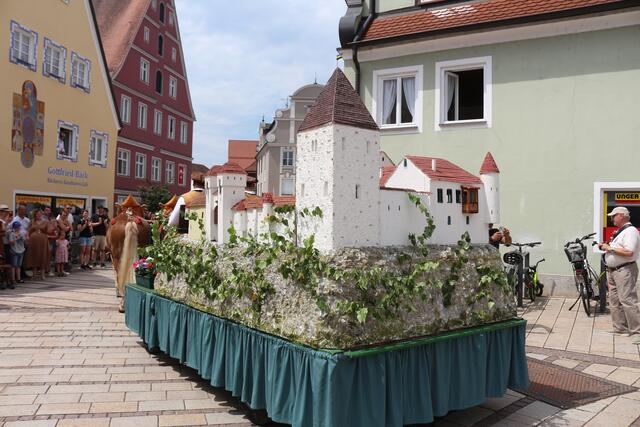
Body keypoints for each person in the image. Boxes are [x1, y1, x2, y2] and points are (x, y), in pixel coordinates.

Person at [598, 206, 640, 344]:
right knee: (614, 301)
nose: (612, 219)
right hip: (614, 270)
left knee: (628, 300)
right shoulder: (622, 232)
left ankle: (637, 331)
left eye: (613, 216)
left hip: (624, 270)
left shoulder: (631, 231)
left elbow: (629, 252)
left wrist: (609, 248)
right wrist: (607, 246)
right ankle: (620, 329)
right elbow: (618, 248)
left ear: (621, 215)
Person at [25, 209, 50, 281]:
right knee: (34, 256)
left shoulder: (45, 222)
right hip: (33, 242)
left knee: (42, 256)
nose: (39, 215)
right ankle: (34, 275)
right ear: (35, 214)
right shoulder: (32, 221)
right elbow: (28, 231)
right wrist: (27, 237)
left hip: (43, 242)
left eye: (40, 214)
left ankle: (42, 275)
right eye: (37, 214)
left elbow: (49, 231)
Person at [7, 221, 26, 287]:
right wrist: (17, 238)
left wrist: (23, 238)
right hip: (14, 251)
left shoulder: (21, 233)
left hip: (21, 250)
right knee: (13, 266)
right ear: (14, 227)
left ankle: (18, 278)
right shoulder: (11, 234)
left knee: (19, 266)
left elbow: (24, 241)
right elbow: (11, 243)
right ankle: (13, 279)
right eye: (17, 227)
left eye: (19, 227)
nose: (18, 228)